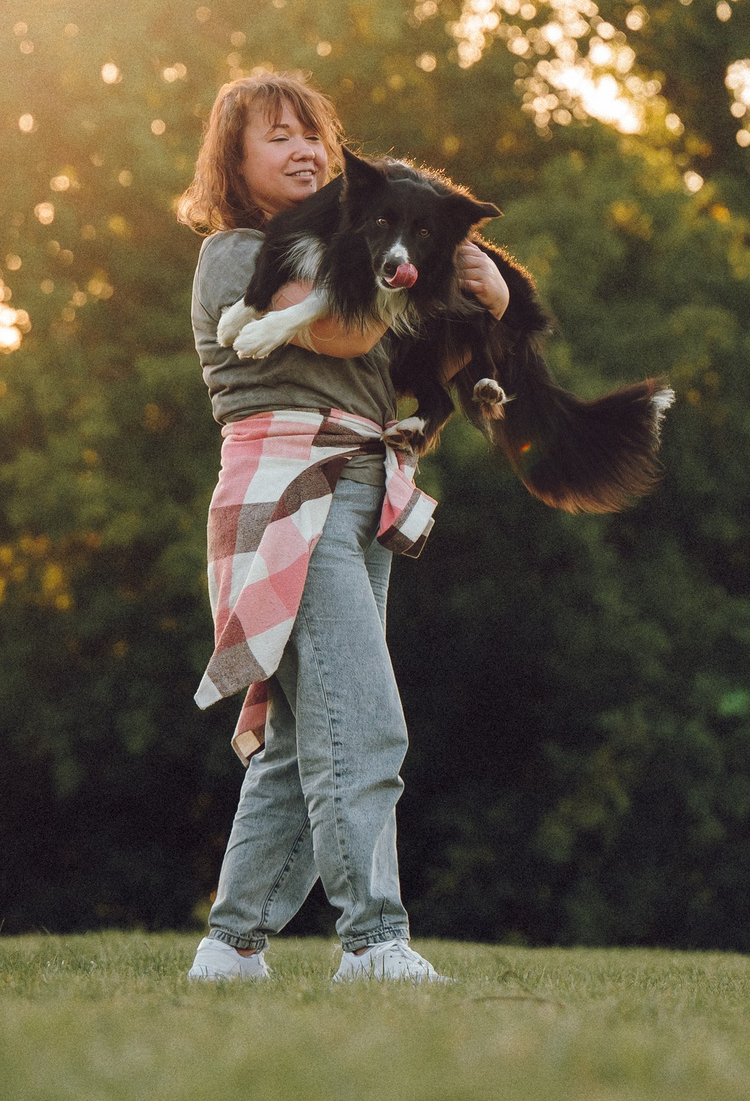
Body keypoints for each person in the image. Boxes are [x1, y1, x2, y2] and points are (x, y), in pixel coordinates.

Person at [175, 67, 507, 983]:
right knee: (363, 722)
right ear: (234, 161)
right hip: (288, 487)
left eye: (313, 132)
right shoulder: (240, 256)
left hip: (362, 489)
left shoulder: (358, 257)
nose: (304, 149)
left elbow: (425, 357)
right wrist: (423, 265)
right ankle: (373, 942)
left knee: (297, 736)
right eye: (276, 135)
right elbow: (347, 335)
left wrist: (485, 291)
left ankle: (230, 948)